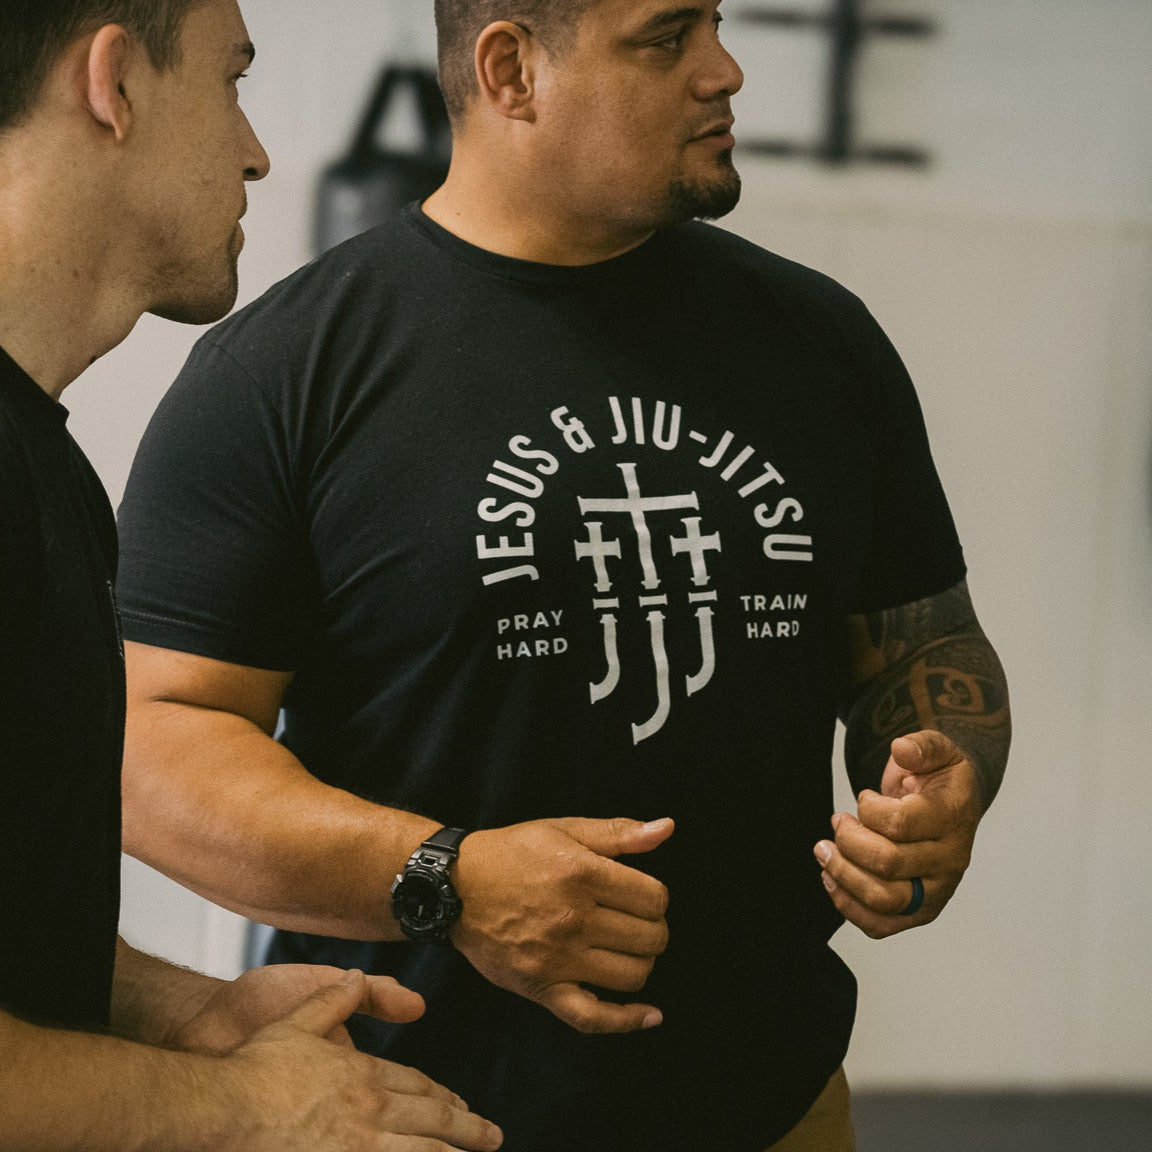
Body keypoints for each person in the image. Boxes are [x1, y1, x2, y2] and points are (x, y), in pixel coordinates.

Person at [114, 1, 1012, 1149]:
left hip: (776, 1109)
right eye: (666, 38)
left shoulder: (821, 341)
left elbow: (926, 643)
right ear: (511, 70)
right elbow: (150, 748)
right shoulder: (288, 374)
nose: (725, 70)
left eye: (717, 25)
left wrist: (940, 784)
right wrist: (446, 877)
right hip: (406, 1114)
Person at [0, 2, 505, 1149]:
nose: (257, 151)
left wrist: (190, 1016)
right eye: (232, 81)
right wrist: (248, 1109)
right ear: (114, 84)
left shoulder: (44, 467)